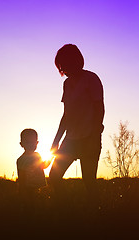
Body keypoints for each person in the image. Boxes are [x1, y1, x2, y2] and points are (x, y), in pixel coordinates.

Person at [49, 44, 105, 205]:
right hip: (71, 140)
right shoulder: (66, 84)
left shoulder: (91, 78)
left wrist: (95, 135)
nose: (63, 69)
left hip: (89, 137)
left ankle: (97, 214)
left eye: (64, 64)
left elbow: (99, 108)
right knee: (54, 176)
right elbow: (66, 116)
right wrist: (56, 141)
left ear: (75, 61)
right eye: (61, 66)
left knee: (88, 180)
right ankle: (67, 209)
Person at [17, 128, 51, 198]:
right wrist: (22, 190)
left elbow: (43, 166)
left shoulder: (37, 155)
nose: (31, 145)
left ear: (37, 143)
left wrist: (51, 158)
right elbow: (21, 176)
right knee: (31, 202)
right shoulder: (21, 160)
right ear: (21, 144)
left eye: (33, 142)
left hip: (40, 186)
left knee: (40, 202)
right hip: (29, 187)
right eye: (27, 142)